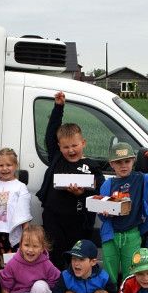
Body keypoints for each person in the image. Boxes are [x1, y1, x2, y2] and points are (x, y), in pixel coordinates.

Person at [36, 91, 105, 269]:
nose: (71, 150)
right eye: (66, 147)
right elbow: (51, 133)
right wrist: (58, 107)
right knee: (55, 257)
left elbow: (100, 188)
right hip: (53, 219)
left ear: (83, 143)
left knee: (77, 259)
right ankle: (57, 283)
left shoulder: (91, 166)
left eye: (75, 145)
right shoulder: (57, 158)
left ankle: (76, 283)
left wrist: (82, 193)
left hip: (79, 222)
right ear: (59, 147)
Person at [97, 143, 148, 286]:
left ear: (133, 161)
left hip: (132, 233)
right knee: (109, 269)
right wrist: (106, 213)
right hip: (111, 234)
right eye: (118, 162)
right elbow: (101, 214)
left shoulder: (141, 179)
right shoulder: (107, 185)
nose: (123, 166)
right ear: (111, 164)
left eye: (127, 161)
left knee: (131, 270)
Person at [0, 147, 33, 293]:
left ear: (15, 166)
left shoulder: (20, 187)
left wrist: (26, 236)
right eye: (1, 165)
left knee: (15, 266)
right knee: (4, 267)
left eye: (9, 165)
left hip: (14, 234)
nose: (5, 168)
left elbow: (24, 213)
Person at [0, 224, 61, 293]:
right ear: (20, 245)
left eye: (35, 246)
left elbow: (57, 285)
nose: (30, 250)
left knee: (41, 286)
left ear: (42, 248)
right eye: (26, 245)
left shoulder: (46, 263)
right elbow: (5, 287)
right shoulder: (13, 263)